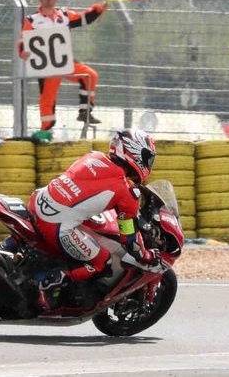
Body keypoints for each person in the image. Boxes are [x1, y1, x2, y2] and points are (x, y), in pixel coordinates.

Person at [27, 128, 159, 305]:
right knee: (102, 261)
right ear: (134, 152)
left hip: (37, 201)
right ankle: (47, 284)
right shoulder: (127, 192)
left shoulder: (93, 156)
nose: (148, 163)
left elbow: (83, 194)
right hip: (55, 226)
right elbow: (129, 239)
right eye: (147, 157)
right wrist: (146, 256)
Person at [16, 0, 108, 131]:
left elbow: (83, 18)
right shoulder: (32, 20)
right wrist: (23, 52)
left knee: (90, 75)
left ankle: (85, 112)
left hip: (64, 61)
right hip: (47, 65)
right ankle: (46, 129)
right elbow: (23, 41)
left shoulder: (64, 15)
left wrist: (98, 9)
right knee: (47, 98)